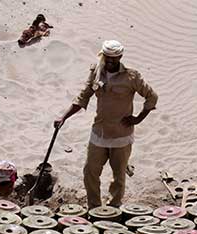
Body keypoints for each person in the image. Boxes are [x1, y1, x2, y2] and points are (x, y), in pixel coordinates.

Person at [54, 40, 158, 209]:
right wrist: (63, 117)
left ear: (120, 57)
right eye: (107, 57)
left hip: (121, 135)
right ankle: (94, 207)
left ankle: (113, 207)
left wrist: (138, 118)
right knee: (90, 172)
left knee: (118, 176)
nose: (110, 61)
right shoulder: (96, 72)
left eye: (114, 58)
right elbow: (83, 96)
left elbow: (152, 96)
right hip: (99, 133)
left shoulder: (131, 77)